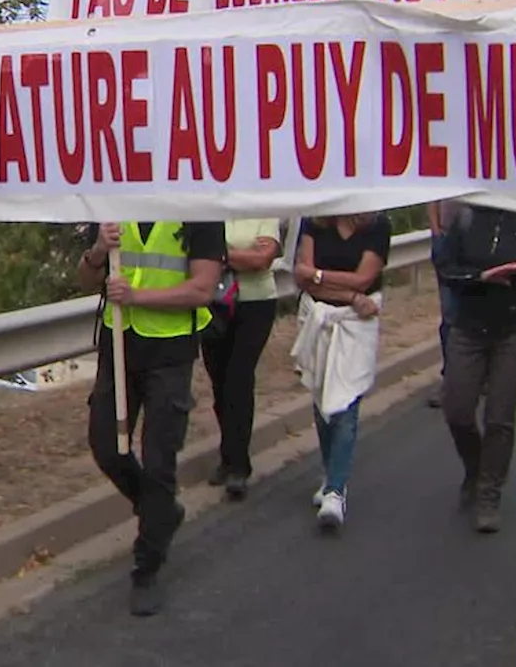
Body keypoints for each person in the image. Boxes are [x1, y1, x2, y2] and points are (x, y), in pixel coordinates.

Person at [78, 219, 224, 616]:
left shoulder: (197, 210)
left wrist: (137, 296)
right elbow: (86, 279)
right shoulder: (114, 204)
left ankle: (147, 567)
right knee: (106, 446)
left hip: (169, 353)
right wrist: (96, 251)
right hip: (119, 345)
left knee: (160, 462)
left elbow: (202, 289)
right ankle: (161, 511)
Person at [434, 205, 516, 533]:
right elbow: (445, 267)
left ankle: (489, 493)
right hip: (468, 326)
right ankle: (475, 468)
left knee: (499, 417)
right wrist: (481, 277)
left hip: (515, 330)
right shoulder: (466, 218)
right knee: (457, 409)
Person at [292, 213, 390, 531]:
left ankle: (336, 491)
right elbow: (300, 274)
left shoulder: (377, 225)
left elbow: (364, 279)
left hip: (355, 324)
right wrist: (348, 293)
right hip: (318, 317)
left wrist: (318, 276)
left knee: (345, 403)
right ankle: (332, 474)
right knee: (322, 401)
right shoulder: (313, 221)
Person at [202, 219, 281, 500]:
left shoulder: (262, 212)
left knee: (239, 379)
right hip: (215, 303)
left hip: (256, 304)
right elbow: (196, 254)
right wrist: (237, 255)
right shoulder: (212, 211)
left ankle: (239, 466)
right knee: (220, 383)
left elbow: (263, 260)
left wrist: (220, 254)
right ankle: (228, 455)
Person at [426, 200, 465, 409]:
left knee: (477, 310)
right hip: (446, 237)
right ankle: (449, 381)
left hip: (477, 237)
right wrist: (436, 231)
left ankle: (482, 374)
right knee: (449, 315)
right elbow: (434, 195)